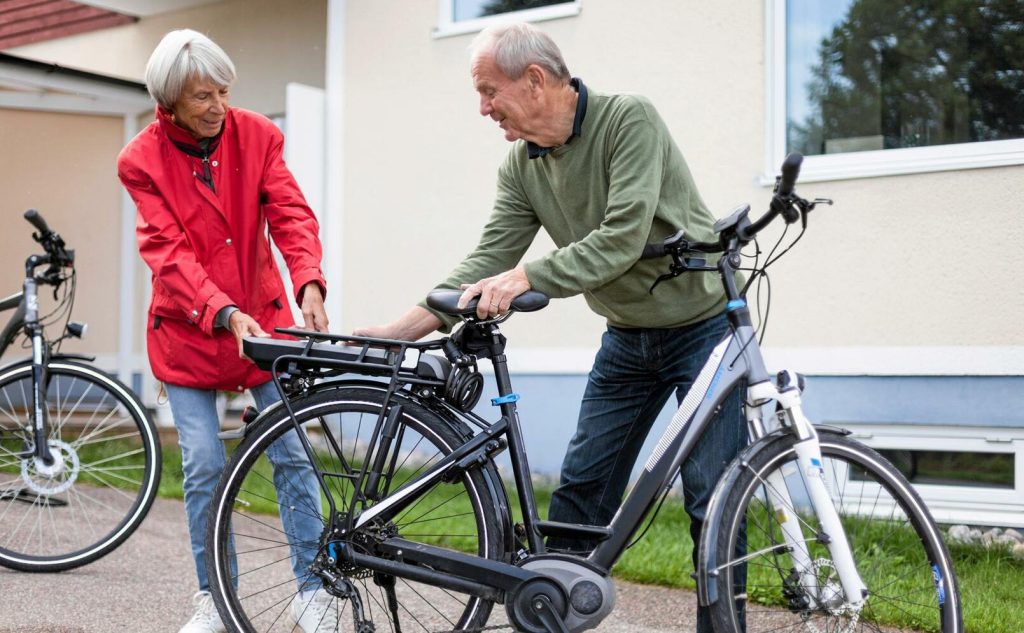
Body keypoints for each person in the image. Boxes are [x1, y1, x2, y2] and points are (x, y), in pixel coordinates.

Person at [354, 22, 746, 633]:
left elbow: (622, 236)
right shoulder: (522, 165)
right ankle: (554, 618)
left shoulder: (628, 121)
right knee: (580, 494)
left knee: (712, 495)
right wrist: (403, 328)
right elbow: (488, 258)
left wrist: (528, 275)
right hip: (626, 333)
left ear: (535, 80)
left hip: (701, 327)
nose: (482, 108)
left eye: (489, 91)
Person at [118, 30, 337, 633]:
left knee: (293, 451)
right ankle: (214, 596)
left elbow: (289, 211)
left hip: (263, 319)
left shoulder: (259, 135)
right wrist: (220, 310)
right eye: (200, 97)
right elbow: (167, 252)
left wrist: (309, 281)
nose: (217, 107)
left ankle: (312, 589)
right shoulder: (140, 159)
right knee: (206, 464)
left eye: (223, 91)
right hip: (188, 326)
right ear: (168, 103)